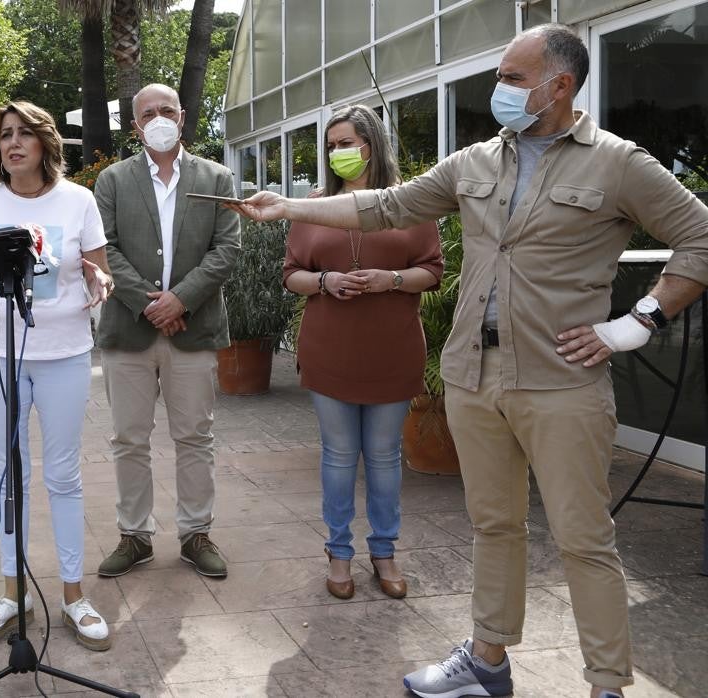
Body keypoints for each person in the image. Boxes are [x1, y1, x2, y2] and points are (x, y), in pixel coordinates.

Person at [231, 24, 708, 698]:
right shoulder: (477, 161)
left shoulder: (618, 163)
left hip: (562, 381)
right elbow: (386, 205)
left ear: (560, 85)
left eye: (514, 78)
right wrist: (291, 207)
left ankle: (607, 686)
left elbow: (700, 237)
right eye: (500, 76)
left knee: (583, 540)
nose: (499, 90)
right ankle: (487, 663)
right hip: (474, 377)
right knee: (493, 526)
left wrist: (636, 325)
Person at [0, 101, 115, 651]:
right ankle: (14, 594)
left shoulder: (78, 200)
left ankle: (74, 595)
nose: (13, 144)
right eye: (4, 136)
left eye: (24, 135)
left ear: (44, 143)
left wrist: (101, 282)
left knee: (62, 474)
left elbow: (98, 270)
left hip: (64, 353)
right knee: (10, 473)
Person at [281, 105, 443, 601]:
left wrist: (390, 279)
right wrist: (326, 281)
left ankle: (384, 550)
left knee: (384, 456)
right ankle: (339, 551)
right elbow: (291, 274)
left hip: (392, 350)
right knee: (337, 456)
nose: (336, 154)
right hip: (330, 350)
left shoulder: (410, 204)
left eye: (344, 143)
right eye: (331, 146)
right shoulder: (313, 207)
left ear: (370, 145)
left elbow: (432, 270)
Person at [93, 83, 240, 580]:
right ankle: (134, 536)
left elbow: (227, 249)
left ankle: (196, 533)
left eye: (166, 110)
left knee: (195, 437)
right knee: (128, 439)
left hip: (193, 331)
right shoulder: (112, 181)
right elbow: (104, 248)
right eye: (147, 113)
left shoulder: (217, 177)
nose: (158, 118)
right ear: (134, 125)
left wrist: (182, 299)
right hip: (128, 331)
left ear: (182, 118)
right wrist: (151, 303)